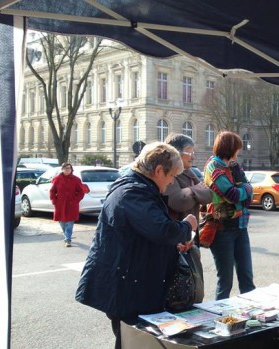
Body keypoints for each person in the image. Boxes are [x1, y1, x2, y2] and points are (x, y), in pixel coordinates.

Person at [75, 142, 198, 349]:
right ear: (158, 170)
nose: (170, 183)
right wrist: (187, 227)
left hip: (133, 284)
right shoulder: (133, 193)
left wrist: (171, 248)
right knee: (132, 342)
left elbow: (144, 234)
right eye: (170, 176)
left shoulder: (138, 188)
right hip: (128, 290)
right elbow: (162, 230)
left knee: (135, 341)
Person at [203, 131, 255, 300]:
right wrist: (246, 191)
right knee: (225, 282)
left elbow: (247, 193)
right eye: (237, 148)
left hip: (241, 226)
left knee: (247, 280)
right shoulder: (214, 167)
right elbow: (232, 194)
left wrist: (245, 191)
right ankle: (219, 321)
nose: (238, 152)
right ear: (230, 148)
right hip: (222, 230)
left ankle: (250, 318)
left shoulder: (234, 165)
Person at [163, 133, 213, 303]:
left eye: (193, 151)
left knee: (197, 286)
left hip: (192, 239)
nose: (192, 155)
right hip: (177, 241)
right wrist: (195, 190)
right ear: (176, 152)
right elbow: (178, 201)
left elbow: (208, 195)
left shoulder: (190, 173)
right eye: (188, 151)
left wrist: (190, 192)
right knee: (180, 290)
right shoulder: (171, 174)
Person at [49, 162, 85, 247]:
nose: (67, 170)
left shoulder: (76, 179)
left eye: (69, 168)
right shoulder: (57, 179)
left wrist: (76, 200)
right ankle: (66, 235)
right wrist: (54, 201)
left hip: (72, 204)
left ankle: (68, 239)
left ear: (71, 169)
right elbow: (52, 191)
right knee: (62, 222)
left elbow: (81, 192)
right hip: (60, 204)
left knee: (70, 222)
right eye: (65, 168)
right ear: (62, 169)